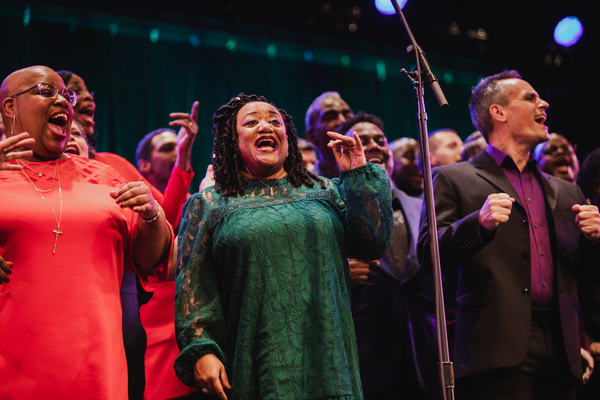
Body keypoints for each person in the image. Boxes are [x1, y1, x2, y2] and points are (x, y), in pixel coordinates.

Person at [174, 93, 393, 400]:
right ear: (231, 140)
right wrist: (201, 350)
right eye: (252, 122)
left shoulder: (325, 190)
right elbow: (194, 286)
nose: (266, 126)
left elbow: (372, 243)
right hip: (256, 364)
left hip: (328, 360)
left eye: (274, 121)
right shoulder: (210, 203)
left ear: (287, 138)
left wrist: (357, 174)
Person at [418, 69, 600, 399]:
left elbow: (585, 276)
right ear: (498, 112)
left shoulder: (567, 191)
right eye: (530, 98)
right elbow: (429, 255)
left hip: (562, 346)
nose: (543, 103)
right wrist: (479, 223)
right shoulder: (452, 178)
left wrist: (595, 240)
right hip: (496, 347)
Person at [0, 65, 173, 399]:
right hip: (11, 368)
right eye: (46, 91)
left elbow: (150, 261)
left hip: (94, 369)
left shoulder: (104, 177)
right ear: (10, 107)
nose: (63, 101)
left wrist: (152, 217)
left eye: (67, 95)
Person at [57, 69, 195, 399]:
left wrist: (183, 161)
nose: (87, 97)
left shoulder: (110, 166)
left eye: (88, 92)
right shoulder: (17, 172)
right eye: (75, 92)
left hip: (120, 298)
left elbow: (166, 224)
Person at [340, 111, 441, 400]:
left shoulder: (423, 205)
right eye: (362, 139)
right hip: (365, 356)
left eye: (380, 140)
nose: (373, 145)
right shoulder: (333, 203)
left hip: (423, 354)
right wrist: (338, 272)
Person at [135, 127, 198, 400]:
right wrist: (184, 155)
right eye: (167, 148)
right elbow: (167, 225)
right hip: (153, 327)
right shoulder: (136, 198)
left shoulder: (194, 201)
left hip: (188, 323)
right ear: (144, 164)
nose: (174, 152)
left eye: (178, 147)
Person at [305, 91, 354, 178]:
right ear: (312, 136)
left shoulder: (373, 175)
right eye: (330, 118)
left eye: (347, 116)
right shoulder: (306, 186)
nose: (343, 121)